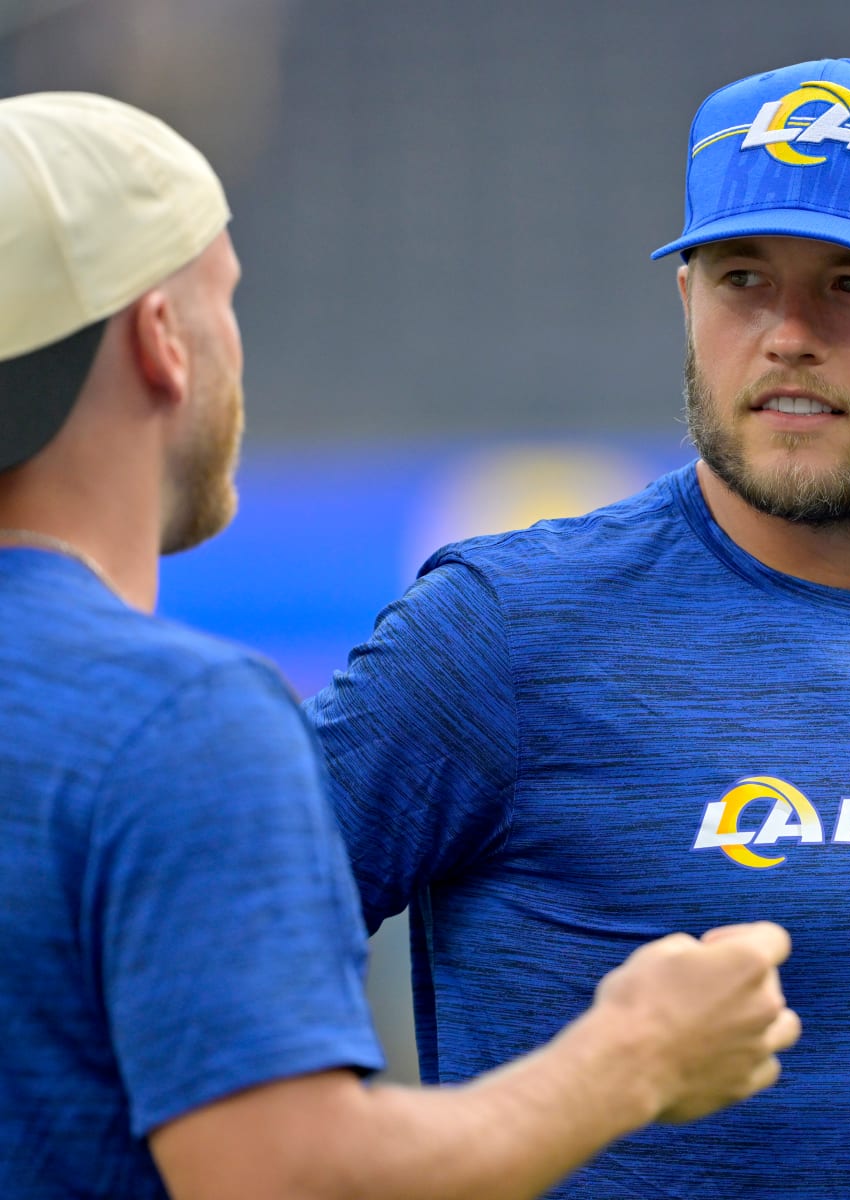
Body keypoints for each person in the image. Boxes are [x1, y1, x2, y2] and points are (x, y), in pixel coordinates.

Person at [306, 57, 850, 1198]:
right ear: (686, 303)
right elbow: (201, 962)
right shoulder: (501, 634)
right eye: (744, 277)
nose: (788, 332)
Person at [0, 91, 801, 1200]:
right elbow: (283, 1179)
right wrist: (633, 1058)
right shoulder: (175, 718)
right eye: (227, 299)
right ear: (161, 340)